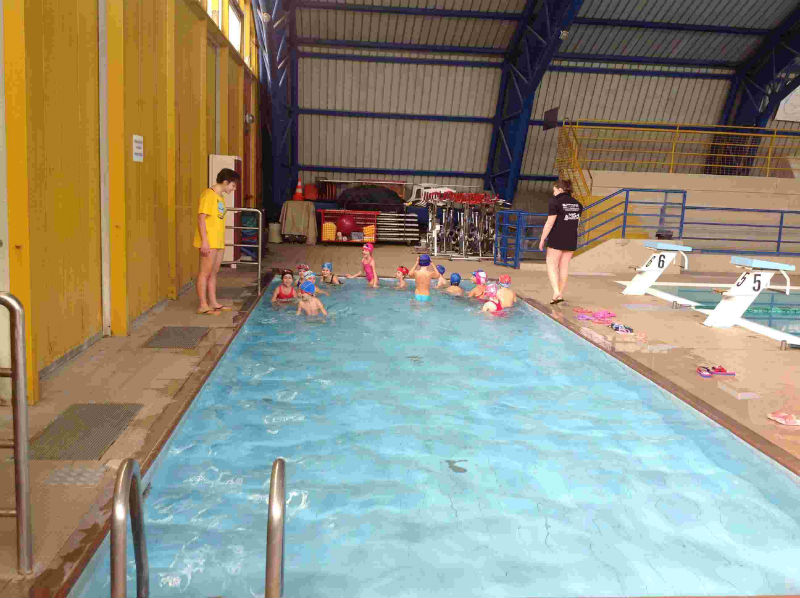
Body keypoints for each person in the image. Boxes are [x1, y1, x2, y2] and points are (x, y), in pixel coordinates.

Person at [193, 168, 241, 315]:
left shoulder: (220, 197)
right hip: (209, 241)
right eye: (233, 186)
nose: (233, 189)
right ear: (225, 182)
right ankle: (203, 305)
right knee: (204, 273)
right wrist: (204, 241)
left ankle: (213, 303)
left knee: (214, 273)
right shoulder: (208, 195)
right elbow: (201, 218)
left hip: (218, 241)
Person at [539, 179, 583, 304]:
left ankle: (556, 291)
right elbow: (577, 223)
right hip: (571, 238)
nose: (553, 193)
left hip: (557, 237)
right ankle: (559, 294)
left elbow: (549, 223)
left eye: (554, 190)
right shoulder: (578, 204)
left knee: (551, 263)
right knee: (564, 266)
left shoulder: (555, 201)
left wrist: (542, 239)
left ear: (560, 189)